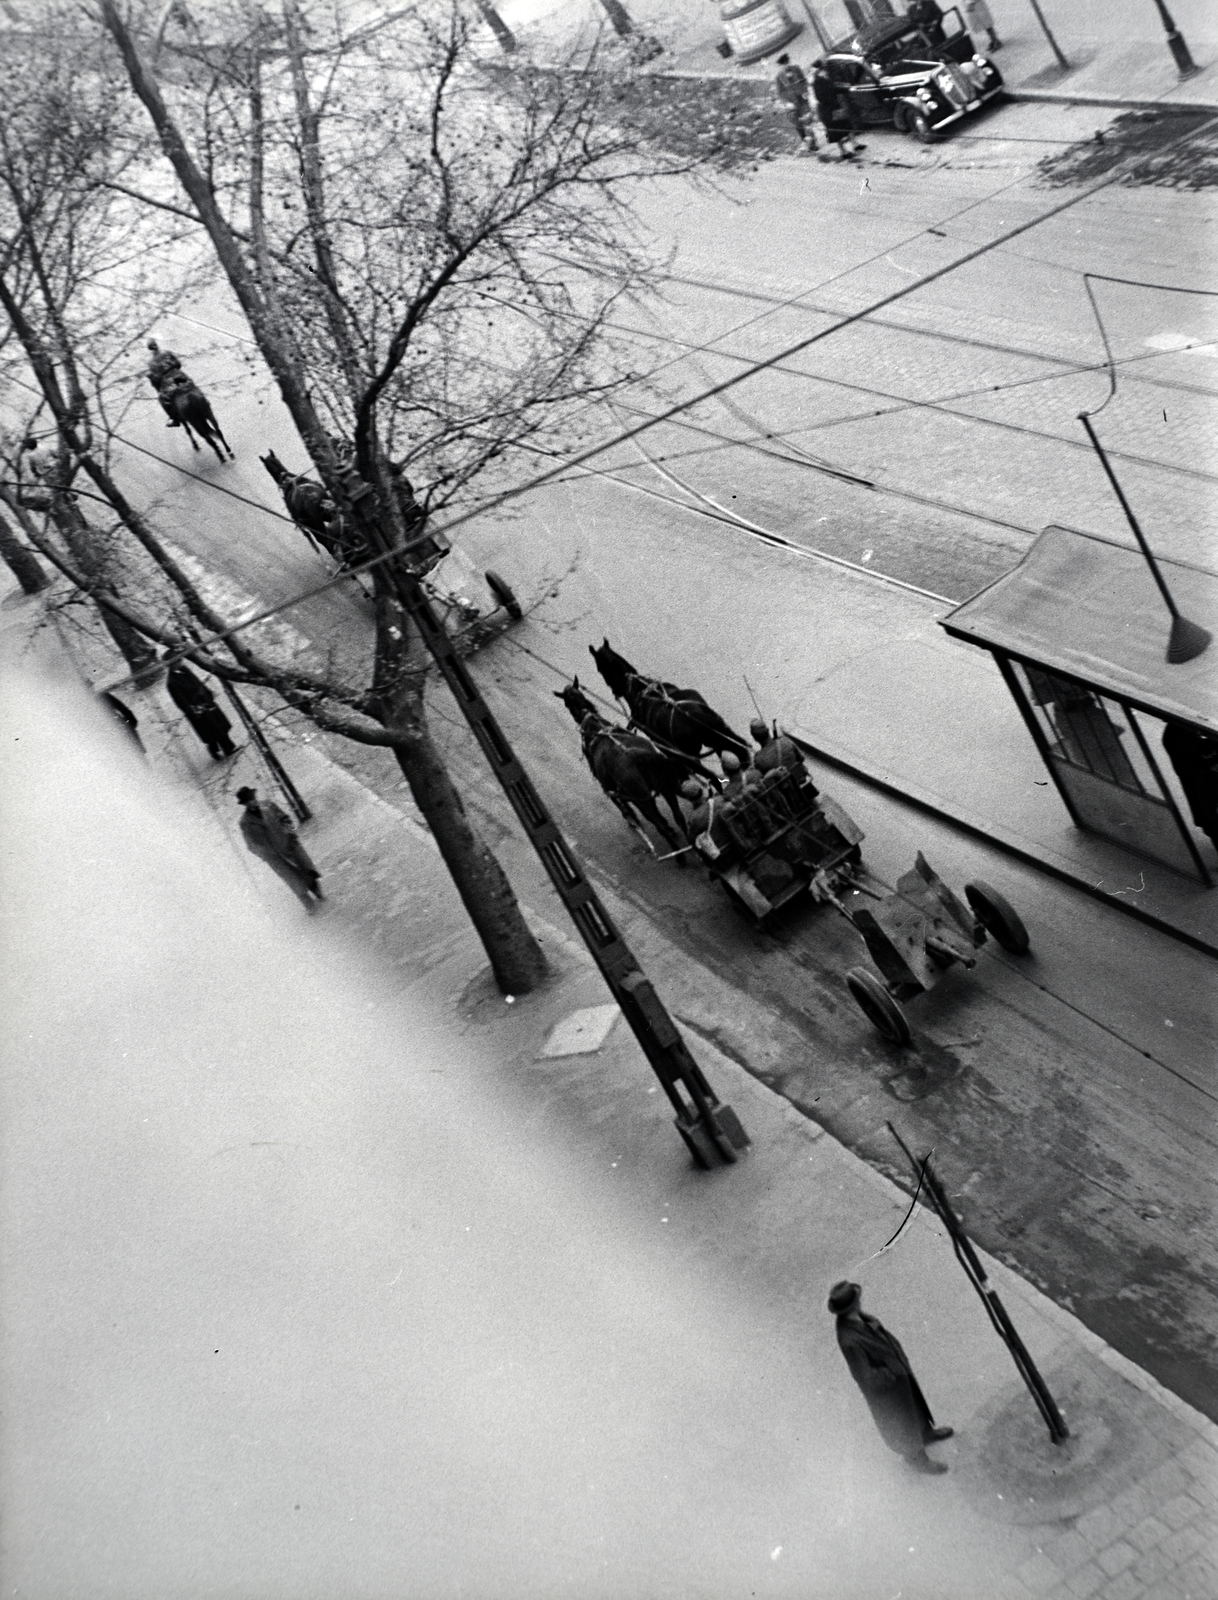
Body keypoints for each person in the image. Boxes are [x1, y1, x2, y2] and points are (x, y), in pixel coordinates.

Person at [828, 1281, 952, 1474]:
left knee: (915, 1409)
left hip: (899, 1377)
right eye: (858, 1299)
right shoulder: (848, 1339)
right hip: (888, 1390)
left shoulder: (858, 1318)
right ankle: (918, 1460)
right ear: (853, 1304)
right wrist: (891, 1372)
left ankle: (926, 1434)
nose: (861, 1301)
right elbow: (864, 1375)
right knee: (903, 1423)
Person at [236, 786, 324, 909]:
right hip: (275, 857)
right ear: (244, 804)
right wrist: (267, 855)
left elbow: (285, 818)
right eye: (248, 801)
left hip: (289, 844)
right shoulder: (245, 822)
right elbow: (251, 845)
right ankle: (309, 905)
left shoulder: (268, 805)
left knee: (306, 868)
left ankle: (318, 893)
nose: (252, 802)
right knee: (293, 880)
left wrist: (291, 833)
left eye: (252, 798)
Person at [164, 653, 238, 760]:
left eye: (180, 660)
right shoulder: (171, 682)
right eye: (178, 661)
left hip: (205, 701)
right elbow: (180, 701)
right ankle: (224, 749)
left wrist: (208, 692)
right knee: (213, 729)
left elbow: (197, 682)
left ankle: (221, 748)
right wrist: (192, 712)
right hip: (197, 708)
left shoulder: (185, 669)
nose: (181, 662)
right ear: (172, 665)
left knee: (218, 725)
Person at [1162, 721, 1218, 850]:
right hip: (1205, 787)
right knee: (1212, 823)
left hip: (1204, 784)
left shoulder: (1179, 732)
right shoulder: (1177, 736)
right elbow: (1186, 769)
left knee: (1211, 823)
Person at [811, 63, 865, 162]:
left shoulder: (825, 79)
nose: (825, 72)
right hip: (828, 110)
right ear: (820, 71)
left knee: (846, 126)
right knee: (836, 132)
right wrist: (833, 104)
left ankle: (855, 144)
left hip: (835, 107)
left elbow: (834, 89)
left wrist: (847, 89)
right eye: (823, 70)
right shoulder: (817, 82)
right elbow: (820, 97)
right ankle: (843, 152)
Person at [774, 54, 818, 152]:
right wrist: (786, 103)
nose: (786, 66)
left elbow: (804, 81)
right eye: (783, 65)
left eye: (786, 63)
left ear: (788, 62)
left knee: (807, 120)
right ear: (780, 66)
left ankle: (813, 143)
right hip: (792, 103)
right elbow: (779, 93)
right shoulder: (778, 77)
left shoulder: (796, 69)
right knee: (798, 124)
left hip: (802, 99)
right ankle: (806, 142)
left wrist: (806, 91)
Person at [146, 341, 185, 425]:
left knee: (161, 398)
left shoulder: (151, 362)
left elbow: (156, 379)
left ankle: (174, 419)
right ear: (157, 346)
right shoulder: (167, 353)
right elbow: (178, 364)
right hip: (179, 376)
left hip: (168, 382)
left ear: (150, 350)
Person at [97, 690, 145, 755]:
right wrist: (131, 720)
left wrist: (131, 720)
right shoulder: (100, 695)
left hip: (119, 728)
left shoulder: (101, 695)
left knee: (136, 752)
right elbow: (120, 707)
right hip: (116, 730)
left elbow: (120, 706)